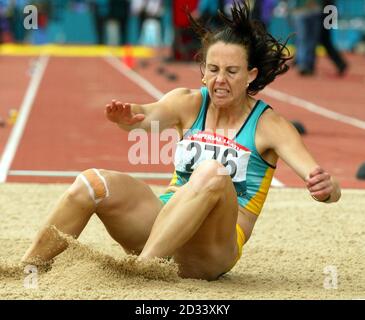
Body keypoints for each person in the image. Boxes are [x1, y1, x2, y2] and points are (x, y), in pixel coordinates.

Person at [21, 1, 341, 281]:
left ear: (251, 75)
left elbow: (324, 185)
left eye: (232, 71)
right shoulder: (188, 102)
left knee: (213, 172)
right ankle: (29, 267)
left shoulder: (271, 125)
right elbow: (147, 116)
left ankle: (145, 268)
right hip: (163, 222)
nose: (220, 80)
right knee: (91, 182)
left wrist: (327, 189)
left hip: (213, 248)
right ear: (202, 71)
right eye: (213, 69)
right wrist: (128, 119)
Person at [289, 0, 322, 75]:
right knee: (302, 39)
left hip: (315, 11)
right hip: (300, 12)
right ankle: (303, 65)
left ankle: (310, 65)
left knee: (312, 40)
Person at [320, 0, 348, 76]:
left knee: (324, 39)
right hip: (329, 10)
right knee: (324, 40)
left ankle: (341, 63)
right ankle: (341, 63)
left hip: (327, 10)